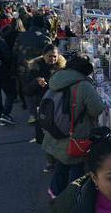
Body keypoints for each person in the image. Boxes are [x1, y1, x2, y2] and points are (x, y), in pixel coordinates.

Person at [42, 54, 105, 198]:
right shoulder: (83, 86)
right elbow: (97, 109)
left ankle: (55, 192)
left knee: (61, 164)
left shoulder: (57, 78)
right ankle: (73, 197)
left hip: (55, 131)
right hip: (74, 137)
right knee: (76, 169)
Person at [24, 44, 66, 172]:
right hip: (43, 107)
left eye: (55, 56)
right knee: (46, 135)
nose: (52, 59)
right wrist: (36, 82)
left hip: (59, 106)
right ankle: (50, 161)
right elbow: (27, 91)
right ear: (43, 56)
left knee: (60, 133)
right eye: (49, 56)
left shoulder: (62, 67)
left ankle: (60, 159)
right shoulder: (35, 68)